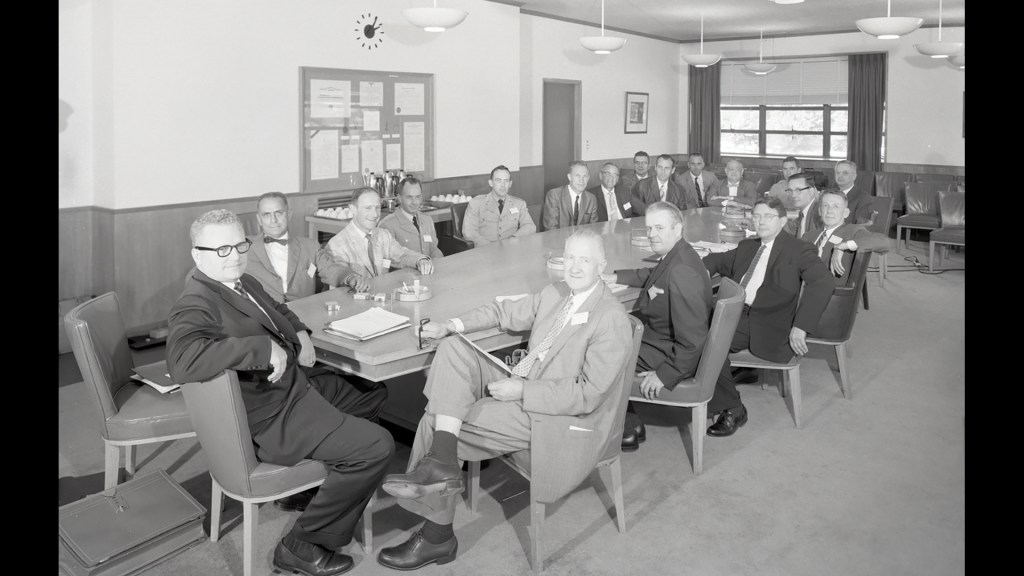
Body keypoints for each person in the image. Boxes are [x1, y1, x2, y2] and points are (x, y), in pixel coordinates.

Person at [375, 229, 633, 571]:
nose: (574, 266)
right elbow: (502, 311)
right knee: (453, 348)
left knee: (437, 420)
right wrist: (450, 325)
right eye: (569, 257)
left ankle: (438, 531)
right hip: (523, 382)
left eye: (584, 259)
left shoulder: (610, 317)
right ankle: (443, 464)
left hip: (557, 415)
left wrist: (523, 391)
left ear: (601, 265)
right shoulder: (557, 292)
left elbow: (588, 394)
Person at [166, 209, 393, 576]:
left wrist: (299, 331)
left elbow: (275, 309)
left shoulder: (242, 281)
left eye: (239, 244)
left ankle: (318, 488)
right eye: (221, 249)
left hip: (295, 388)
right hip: (274, 415)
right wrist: (259, 348)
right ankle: (301, 546)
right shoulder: (197, 300)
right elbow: (182, 359)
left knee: (370, 392)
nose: (235, 255)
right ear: (198, 254)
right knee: (377, 446)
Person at [701, 198, 835, 437]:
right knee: (692, 330)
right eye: (757, 216)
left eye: (768, 216)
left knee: (708, 342)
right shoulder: (748, 246)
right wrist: (700, 269)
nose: (761, 221)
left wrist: (801, 327)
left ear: (783, 220)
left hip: (767, 322)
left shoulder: (799, 249)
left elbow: (823, 282)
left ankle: (733, 408)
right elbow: (716, 260)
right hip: (737, 313)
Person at [601, 202, 713, 452]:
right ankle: (631, 423)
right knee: (610, 339)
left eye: (659, 227)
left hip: (668, 351)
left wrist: (665, 374)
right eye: (649, 228)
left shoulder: (682, 270)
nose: (652, 234)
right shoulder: (679, 255)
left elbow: (694, 339)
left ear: (678, 228)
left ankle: (623, 430)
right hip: (661, 340)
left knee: (603, 352)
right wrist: (617, 276)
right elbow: (654, 273)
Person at [245, 192, 369, 303]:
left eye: (279, 213)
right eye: (266, 214)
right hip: (264, 317)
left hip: (303, 313)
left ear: (289, 214)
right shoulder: (244, 248)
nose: (273, 220)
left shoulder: (310, 246)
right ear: (259, 220)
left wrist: (351, 278)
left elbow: (331, 269)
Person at [325, 188, 434, 283]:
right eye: (368, 208)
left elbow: (401, 255)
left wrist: (420, 260)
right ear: (353, 209)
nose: (375, 214)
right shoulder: (336, 246)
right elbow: (340, 288)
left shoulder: (382, 234)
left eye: (377, 208)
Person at [803, 190, 890, 279]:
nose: (829, 211)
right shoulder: (808, 236)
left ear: (846, 213)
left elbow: (884, 242)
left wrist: (842, 246)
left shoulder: (852, 230)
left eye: (836, 206)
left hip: (828, 288)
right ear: (820, 211)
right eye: (825, 206)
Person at [462, 165, 537, 245]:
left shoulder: (519, 204)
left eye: (506, 181)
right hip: (485, 251)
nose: (503, 185)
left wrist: (514, 238)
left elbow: (530, 226)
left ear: (510, 184)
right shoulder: (476, 203)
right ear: (491, 183)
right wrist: (489, 247)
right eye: (498, 180)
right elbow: (469, 232)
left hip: (511, 250)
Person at [378, 177, 444, 260]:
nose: (414, 202)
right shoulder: (387, 225)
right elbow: (387, 261)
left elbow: (433, 249)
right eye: (409, 197)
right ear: (399, 198)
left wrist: (439, 260)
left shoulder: (427, 220)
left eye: (417, 197)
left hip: (428, 270)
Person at [542, 161, 599, 230]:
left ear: (588, 178)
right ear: (569, 177)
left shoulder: (591, 198)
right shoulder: (554, 195)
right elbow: (551, 228)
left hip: (583, 239)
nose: (581, 180)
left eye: (585, 176)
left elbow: (593, 228)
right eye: (577, 175)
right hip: (559, 239)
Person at [783, 172, 824, 239]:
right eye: (790, 191)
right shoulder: (802, 213)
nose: (793, 195)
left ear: (812, 191)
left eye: (798, 190)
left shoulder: (819, 213)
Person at [833, 160, 874, 225]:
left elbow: (860, 227)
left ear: (854, 176)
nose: (840, 176)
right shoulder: (830, 195)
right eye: (838, 172)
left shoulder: (864, 198)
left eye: (845, 173)